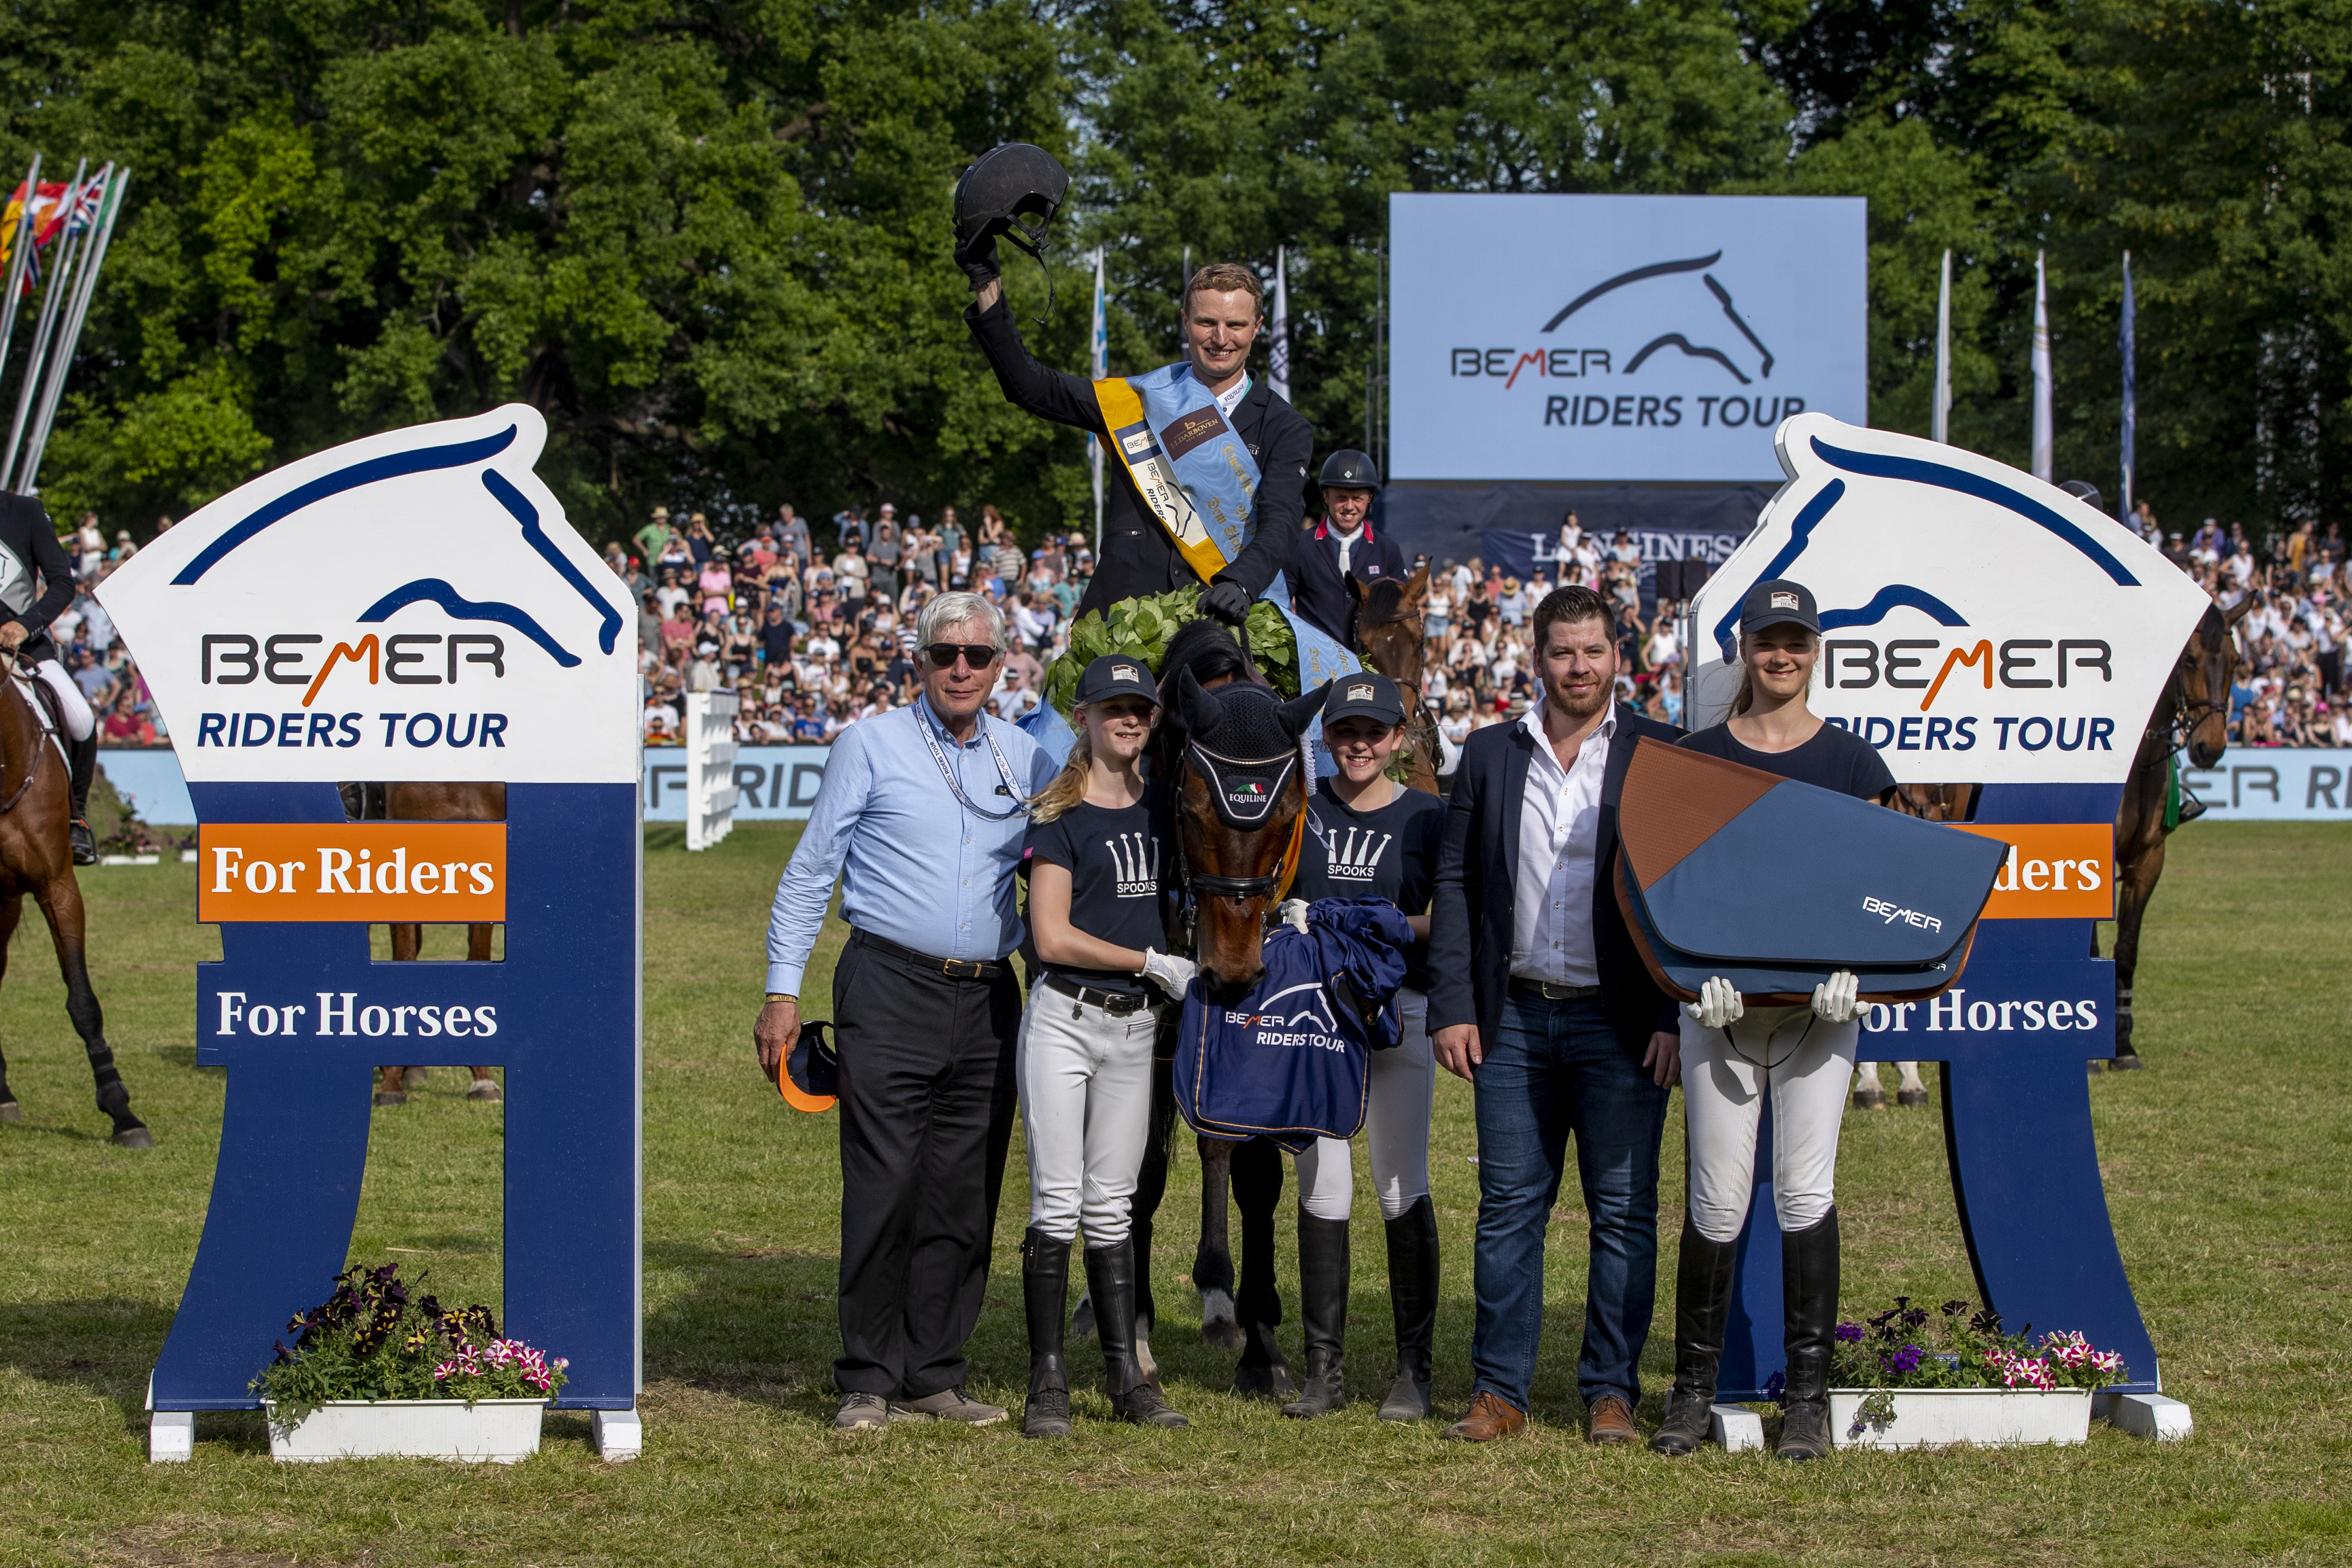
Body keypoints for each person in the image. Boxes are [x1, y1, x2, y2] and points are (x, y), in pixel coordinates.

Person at [756, 591, 1059, 1431]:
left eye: (978, 656)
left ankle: (934, 1371)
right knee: (884, 1184)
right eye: (944, 654)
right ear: (917, 660)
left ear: (1004, 667)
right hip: (888, 984)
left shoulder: (1028, 762)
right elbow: (812, 871)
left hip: (989, 995)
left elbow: (1057, 878)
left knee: (964, 1194)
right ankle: (866, 1376)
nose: (960, 669)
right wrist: (783, 991)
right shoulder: (870, 745)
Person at [1425, 583, 1684, 1446]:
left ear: (1621, 655)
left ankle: (1611, 1392)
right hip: (1515, 1022)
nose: (1579, 666)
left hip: (1624, 1020)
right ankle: (1499, 1389)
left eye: (1593, 650)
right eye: (1563, 652)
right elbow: (1457, 884)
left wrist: (1673, 1017)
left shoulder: (1660, 753)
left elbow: (1686, 892)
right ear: (1535, 660)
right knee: (1508, 1209)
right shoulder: (1492, 753)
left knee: (1622, 1211)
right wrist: (1454, 1006)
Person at [1648, 578, 1893, 1462]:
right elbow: (1671, 887)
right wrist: (1687, 979)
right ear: (1744, 651)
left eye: (1795, 641)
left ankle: (1809, 1404)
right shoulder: (1698, 756)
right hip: (1720, 1011)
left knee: (1803, 1194)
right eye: (1766, 641)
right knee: (1715, 1200)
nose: (1780, 656)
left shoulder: (1854, 764)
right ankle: (1689, 1394)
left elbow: (1880, 893)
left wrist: (1860, 975)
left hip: (1820, 1017)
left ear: (1815, 648)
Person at [1015, 655, 1197, 1436]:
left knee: (1114, 1202)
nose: (1129, 720)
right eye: (1113, 708)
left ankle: (1127, 1373)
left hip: (1133, 1028)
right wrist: (1149, 961)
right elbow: (1050, 934)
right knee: (1058, 1198)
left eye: (1140, 709)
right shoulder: (1060, 814)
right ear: (1083, 718)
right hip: (1064, 1018)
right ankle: (1047, 1380)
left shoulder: (1167, 806)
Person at [961, 242, 1309, 624]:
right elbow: (1030, 386)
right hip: (1122, 612)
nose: (1221, 338)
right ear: (1185, 321)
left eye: (1236, 325)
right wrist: (986, 283)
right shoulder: (1135, 400)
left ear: (1257, 327)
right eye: (1207, 322)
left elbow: (1282, 522)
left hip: (1226, 609)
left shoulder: (1285, 426)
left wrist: (1241, 584)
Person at [1274, 672, 1446, 1422]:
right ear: (1328, 736)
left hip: (1398, 1011)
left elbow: (1452, 919)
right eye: (1346, 731)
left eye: (1375, 731)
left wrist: (1367, 920)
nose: (1360, 744)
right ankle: (1324, 1370)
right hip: (1318, 1017)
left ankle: (1413, 1370)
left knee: (1399, 1181)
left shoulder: (1428, 816)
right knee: (1324, 1182)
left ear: (1399, 739)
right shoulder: (1299, 813)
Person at [0, 495, 98, 861]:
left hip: (23, 648)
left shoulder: (24, 512)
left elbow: (62, 583)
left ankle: (78, 820)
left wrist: (25, 625)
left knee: (82, 719)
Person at [1289, 450, 1405, 648]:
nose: (1349, 507)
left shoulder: (1388, 551)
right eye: (1341, 497)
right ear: (1326, 496)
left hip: (1370, 668)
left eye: (1358, 498)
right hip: (1316, 663)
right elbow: (1279, 603)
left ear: (1370, 499)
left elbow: (1403, 612)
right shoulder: (1300, 546)